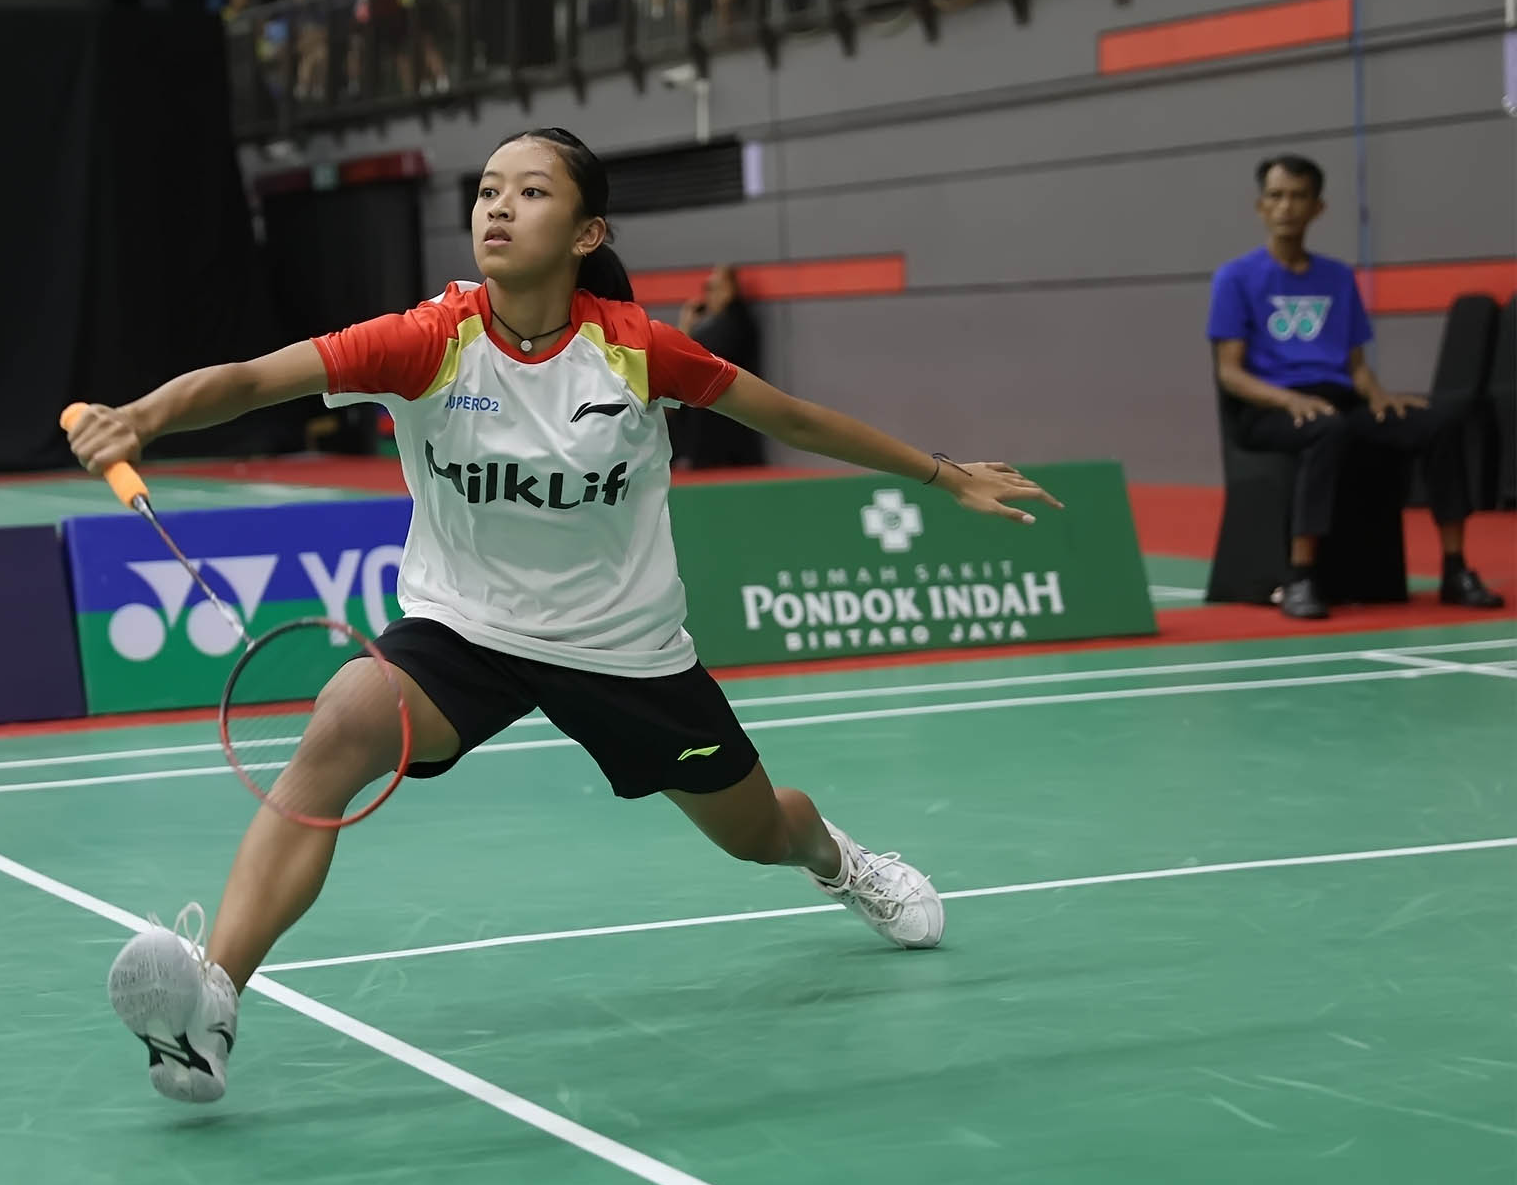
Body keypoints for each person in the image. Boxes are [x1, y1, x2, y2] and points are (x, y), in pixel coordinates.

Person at [69, 127, 1059, 1105]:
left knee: (758, 831)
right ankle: (212, 1004)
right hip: (465, 629)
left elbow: (791, 417)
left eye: (530, 192)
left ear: (588, 234)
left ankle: (839, 861)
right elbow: (251, 379)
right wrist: (142, 417)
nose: (498, 207)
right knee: (342, 723)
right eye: (487, 190)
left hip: (624, 648)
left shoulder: (635, 352)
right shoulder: (429, 340)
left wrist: (941, 474)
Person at [1208, 155, 1504, 619]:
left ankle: (1455, 569)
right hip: (1268, 409)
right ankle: (1301, 578)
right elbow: (1230, 373)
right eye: (1276, 196)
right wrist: (1290, 399)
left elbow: (1357, 366)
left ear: (1318, 208)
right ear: (1260, 206)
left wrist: (1378, 396)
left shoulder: (1337, 277)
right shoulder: (1235, 277)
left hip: (1339, 402)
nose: (1286, 207)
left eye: (1298, 197)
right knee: (1327, 429)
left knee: (1439, 422)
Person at [671, 263, 766, 467]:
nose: (707, 296)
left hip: (724, 428)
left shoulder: (734, 325)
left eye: (712, 288)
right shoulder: (716, 325)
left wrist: (685, 327)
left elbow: (688, 357)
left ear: (729, 290)